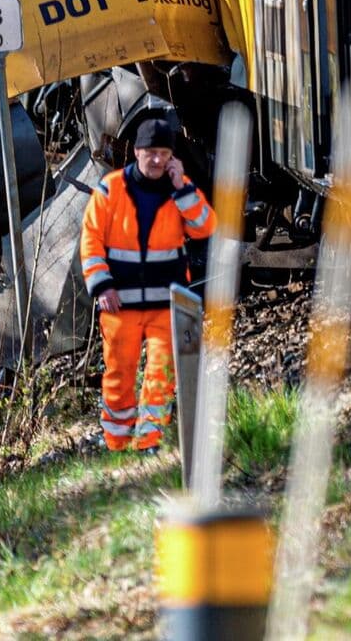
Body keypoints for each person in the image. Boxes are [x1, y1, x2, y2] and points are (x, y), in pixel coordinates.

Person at [78, 116, 216, 451]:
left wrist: (183, 187)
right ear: (137, 152)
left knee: (161, 373)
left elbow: (205, 226)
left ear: (172, 157)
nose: (157, 160)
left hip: (165, 303)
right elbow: (91, 240)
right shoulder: (111, 189)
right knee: (119, 374)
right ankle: (117, 440)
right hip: (119, 302)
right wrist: (101, 285)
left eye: (164, 153)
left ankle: (149, 440)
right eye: (150, 152)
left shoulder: (180, 189)